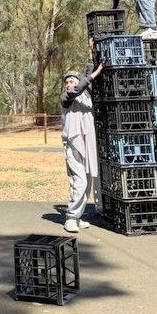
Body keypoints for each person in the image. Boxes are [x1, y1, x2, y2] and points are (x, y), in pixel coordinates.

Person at [60, 61, 104, 233]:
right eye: (67, 83)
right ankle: (71, 218)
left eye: (72, 81)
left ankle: (77, 217)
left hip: (87, 144)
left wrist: (90, 55)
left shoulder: (86, 96)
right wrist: (95, 73)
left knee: (87, 183)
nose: (69, 85)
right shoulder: (66, 97)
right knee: (79, 182)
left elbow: (86, 81)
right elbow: (81, 85)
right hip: (73, 144)